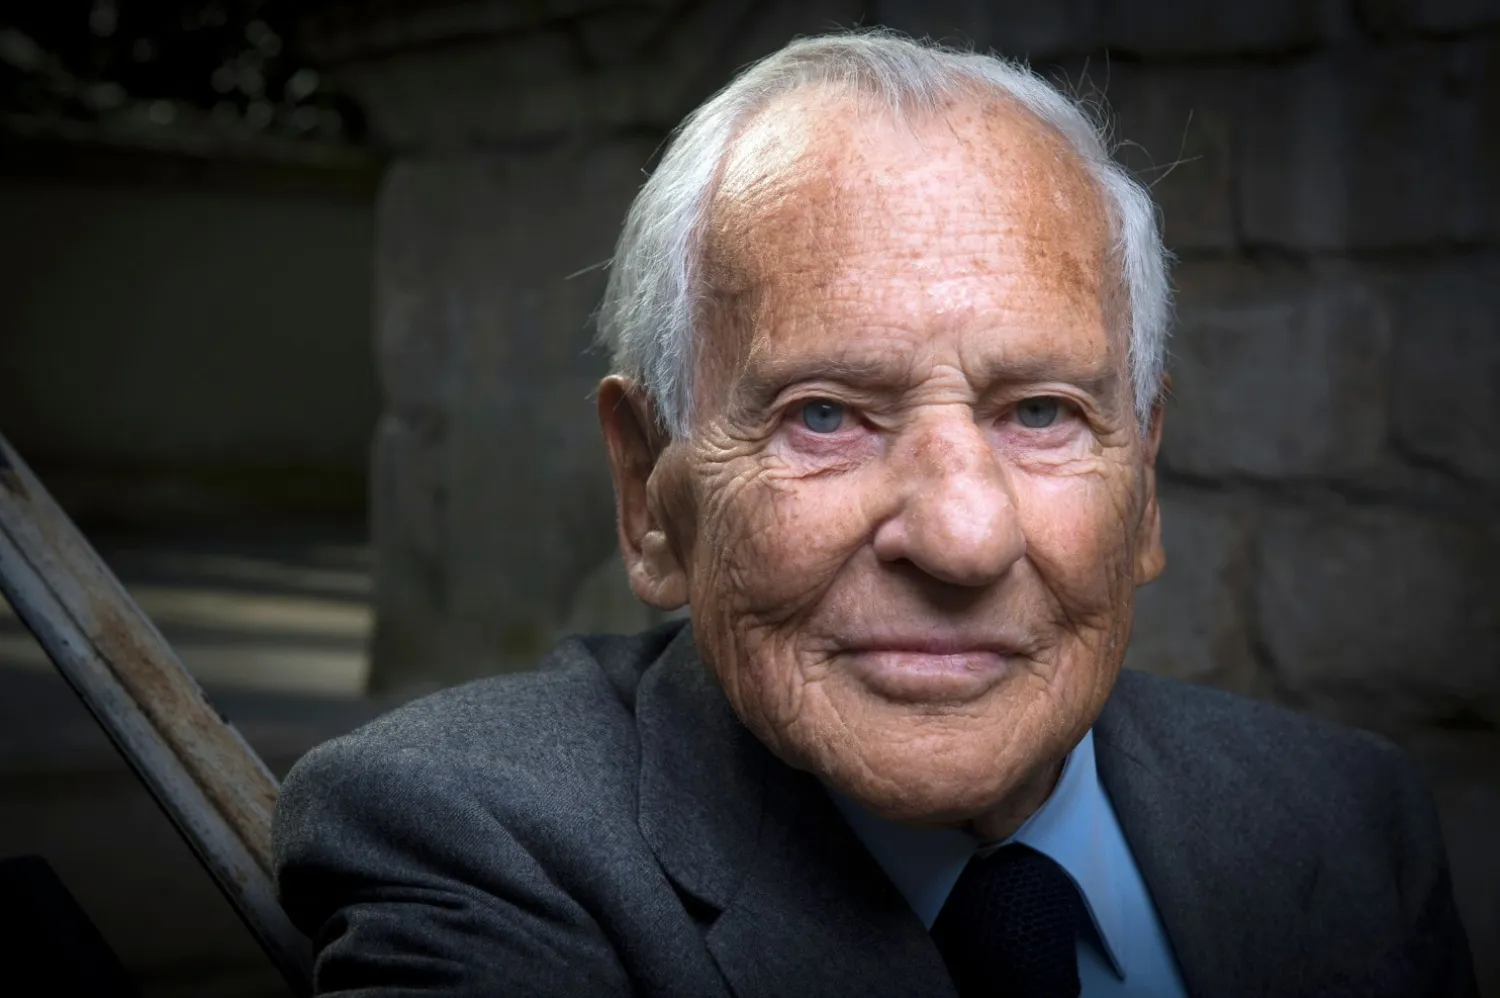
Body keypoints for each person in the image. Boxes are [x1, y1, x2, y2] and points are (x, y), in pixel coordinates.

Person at [272, 31, 1477, 998]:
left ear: (1145, 483)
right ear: (651, 493)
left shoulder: (1346, 816)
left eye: (1043, 413)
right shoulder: (466, 840)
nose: (963, 536)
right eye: (826, 416)